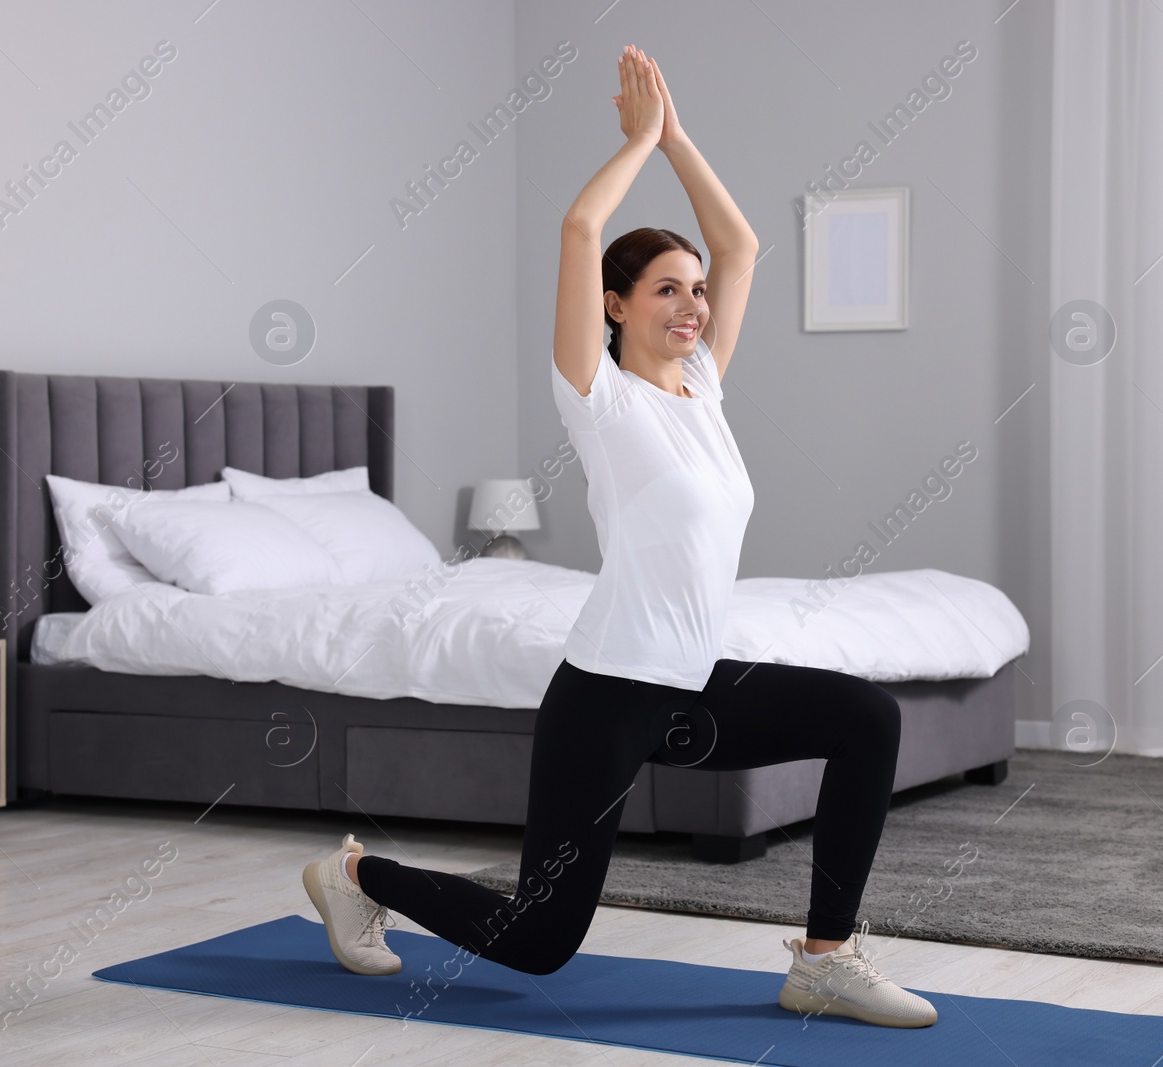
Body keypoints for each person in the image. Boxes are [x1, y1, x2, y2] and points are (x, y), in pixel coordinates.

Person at [301, 44, 936, 1029]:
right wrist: (637, 141)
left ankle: (824, 958)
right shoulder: (598, 398)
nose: (694, 305)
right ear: (615, 304)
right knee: (540, 939)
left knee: (866, 717)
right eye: (666, 290)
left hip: (692, 688)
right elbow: (579, 224)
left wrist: (677, 136)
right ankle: (356, 872)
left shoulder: (702, 389)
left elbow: (745, 248)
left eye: (695, 290)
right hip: (606, 696)